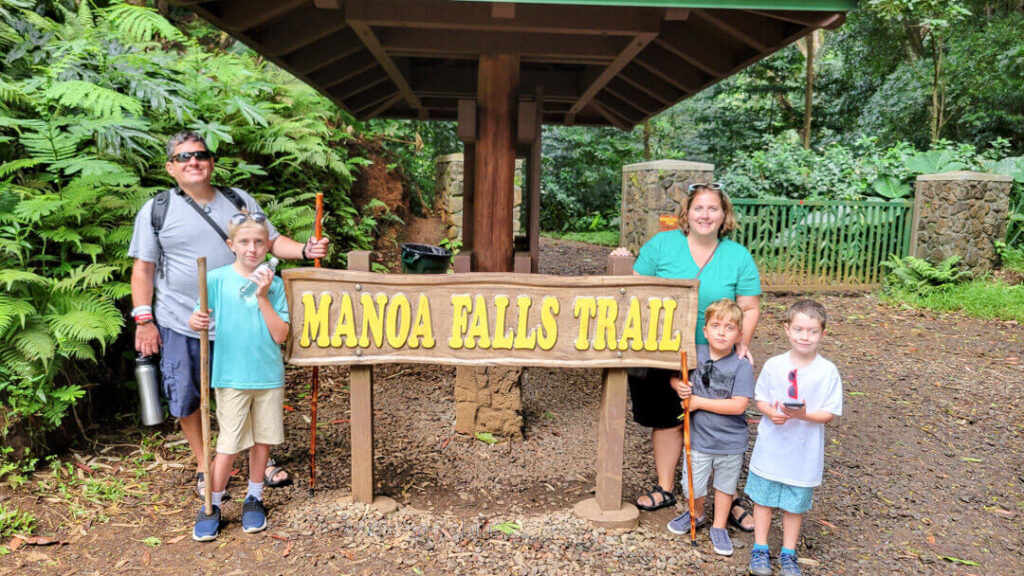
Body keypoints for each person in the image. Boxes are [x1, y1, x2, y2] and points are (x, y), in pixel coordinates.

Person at [128, 131, 328, 498]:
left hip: (242, 320)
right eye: (184, 157)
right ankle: (206, 465)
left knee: (249, 388)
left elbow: (270, 240)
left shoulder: (237, 201)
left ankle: (261, 462)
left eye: (200, 155)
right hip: (182, 320)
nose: (194, 162)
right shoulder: (157, 209)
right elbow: (143, 268)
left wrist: (305, 248)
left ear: (211, 162)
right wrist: (144, 319)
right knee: (186, 394)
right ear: (171, 167)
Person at [611, 182, 760, 532]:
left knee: (718, 423)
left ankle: (726, 496)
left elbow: (750, 306)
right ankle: (666, 487)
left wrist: (741, 345)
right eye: (699, 208)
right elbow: (632, 289)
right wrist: (620, 263)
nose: (705, 215)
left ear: (724, 215)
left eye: (713, 209)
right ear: (686, 213)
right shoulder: (662, 245)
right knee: (669, 418)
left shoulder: (738, 256)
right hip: (665, 349)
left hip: (716, 352)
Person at [189, 211, 289, 540]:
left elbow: (281, 335)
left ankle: (254, 497)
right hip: (231, 375)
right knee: (229, 443)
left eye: (259, 242)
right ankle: (212, 504)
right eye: (244, 242)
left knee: (262, 441)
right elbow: (197, 318)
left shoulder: (274, 283)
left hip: (267, 375)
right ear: (231, 244)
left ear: (267, 246)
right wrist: (197, 322)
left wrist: (262, 295)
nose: (252, 248)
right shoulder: (216, 279)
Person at [746, 300, 843, 576]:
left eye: (812, 331)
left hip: (804, 452)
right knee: (763, 500)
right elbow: (761, 398)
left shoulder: (827, 372)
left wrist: (804, 415)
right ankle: (760, 548)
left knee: (794, 505)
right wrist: (771, 413)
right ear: (787, 329)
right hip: (772, 448)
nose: (804, 336)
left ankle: (789, 552)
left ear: (823, 334)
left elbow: (829, 412)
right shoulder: (775, 365)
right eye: (799, 329)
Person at [667, 299, 754, 556]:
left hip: (730, 441)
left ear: (739, 335)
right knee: (692, 484)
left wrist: (698, 402)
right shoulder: (695, 352)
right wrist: (678, 387)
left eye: (729, 328)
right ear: (705, 330)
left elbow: (739, 405)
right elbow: (675, 377)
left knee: (726, 487)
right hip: (698, 439)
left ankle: (719, 526)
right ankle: (698, 514)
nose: (721, 332)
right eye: (716, 325)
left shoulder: (741, 364)